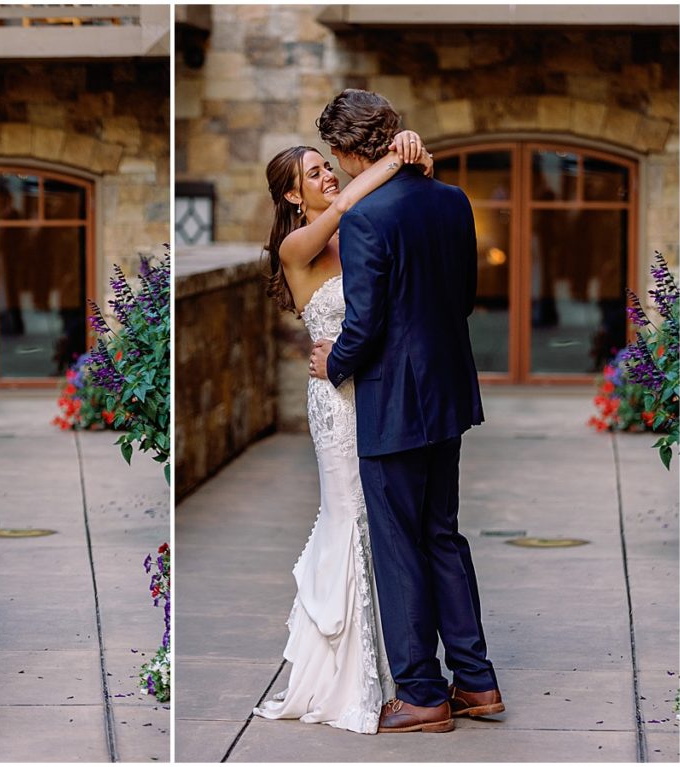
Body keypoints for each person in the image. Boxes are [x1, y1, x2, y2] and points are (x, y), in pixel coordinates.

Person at [309, 89, 504, 733]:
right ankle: (476, 683)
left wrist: (330, 364)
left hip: (393, 399)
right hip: (447, 392)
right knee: (442, 534)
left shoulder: (365, 218)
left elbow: (362, 329)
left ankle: (422, 694)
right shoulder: (453, 201)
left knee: (398, 545)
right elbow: (468, 298)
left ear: (346, 150)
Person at [253, 133, 431, 733]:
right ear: (291, 194)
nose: (327, 174)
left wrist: (408, 159)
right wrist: (397, 153)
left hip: (373, 388)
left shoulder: (356, 229)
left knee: (381, 522)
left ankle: (392, 669)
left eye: (328, 165)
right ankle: (355, 677)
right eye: (314, 171)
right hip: (334, 402)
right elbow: (345, 205)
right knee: (351, 517)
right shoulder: (296, 245)